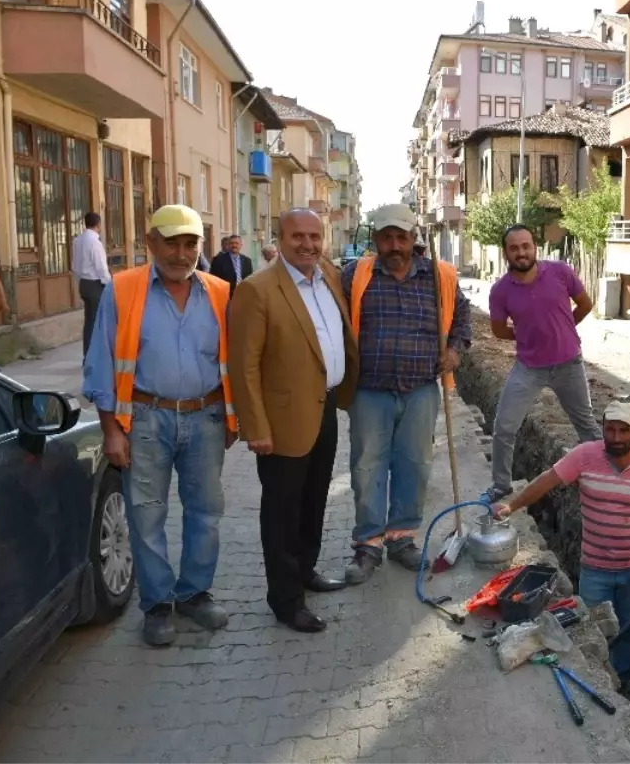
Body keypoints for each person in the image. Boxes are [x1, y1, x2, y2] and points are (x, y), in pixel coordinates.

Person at [82, 204, 237, 647]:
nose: (181, 253)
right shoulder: (123, 290)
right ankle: (156, 604)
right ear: (151, 242)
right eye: (171, 242)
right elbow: (100, 367)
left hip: (206, 417)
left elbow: (237, 362)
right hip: (146, 419)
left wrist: (233, 417)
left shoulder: (222, 293)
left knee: (206, 513)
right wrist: (112, 429)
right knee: (146, 516)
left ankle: (194, 593)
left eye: (190, 244)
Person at [492, 401, 630, 680]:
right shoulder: (585, 456)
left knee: (628, 627)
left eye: (623, 430)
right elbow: (546, 480)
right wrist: (512, 507)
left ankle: (621, 679)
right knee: (590, 625)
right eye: (610, 429)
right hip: (595, 568)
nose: (615, 437)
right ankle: (597, 677)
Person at [229, 209, 358, 633]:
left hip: (324, 409)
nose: (308, 244)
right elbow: (243, 366)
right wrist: (256, 428)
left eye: (314, 236)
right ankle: (285, 600)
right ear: (279, 239)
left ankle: (306, 571)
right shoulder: (257, 289)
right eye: (297, 236)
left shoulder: (328, 277)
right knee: (282, 511)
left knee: (314, 499)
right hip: (282, 420)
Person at [340, 203, 472, 579]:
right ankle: (368, 544)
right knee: (367, 468)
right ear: (375, 239)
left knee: (414, 465)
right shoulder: (356, 275)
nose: (394, 245)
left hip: (420, 390)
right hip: (370, 390)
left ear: (414, 239)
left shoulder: (439, 277)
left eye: (402, 237)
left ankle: (401, 538)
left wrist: (453, 351)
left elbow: (461, 318)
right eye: (387, 237)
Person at [480, 225, 601, 503]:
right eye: (514, 248)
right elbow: (498, 330)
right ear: (506, 253)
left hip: (569, 364)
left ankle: (603, 479)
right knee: (504, 428)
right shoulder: (500, 291)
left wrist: (566, 326)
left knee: (586, 426)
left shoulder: (560, 272)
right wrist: (525, 333)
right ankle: (501, 486)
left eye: (526, 246)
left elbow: (585, 304)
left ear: (535, 247)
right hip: (529, 368)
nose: (521, 252)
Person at [70, 212, 112, 359]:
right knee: (97, 322)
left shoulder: (77, 241)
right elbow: (101, 267)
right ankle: (94, 357)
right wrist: (109, 284)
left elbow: (74, 266)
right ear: (98, 224)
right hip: (95, 285)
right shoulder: (95, 243)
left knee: (89, 321)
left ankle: (87, 354)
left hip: (84, 283)